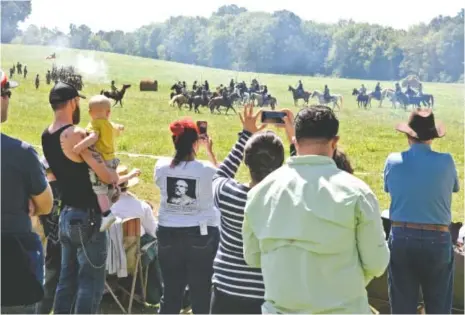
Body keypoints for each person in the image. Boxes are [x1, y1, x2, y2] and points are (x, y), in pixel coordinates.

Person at [243, 105, 389, 314]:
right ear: (334, 142)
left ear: (295, 140)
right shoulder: (358, 193)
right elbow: (377, 263)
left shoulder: (261, 191)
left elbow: (253, 257)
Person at [41, 81, 119, 314]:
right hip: (89, 215)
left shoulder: (47, 135)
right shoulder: (76, 134)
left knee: (67, 280)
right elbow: (104, 175)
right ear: (73, 103)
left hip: (67, 213)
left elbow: (53, 174)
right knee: (90, 282)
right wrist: (115, 174)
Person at [384, 108, 460, 314]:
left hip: (402, 235)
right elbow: (455, 187)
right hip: (438, 237)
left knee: (401, 306)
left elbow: (388, 188)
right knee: (439, 306)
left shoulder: (393, 160)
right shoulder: (446, 160)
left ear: (408, 135)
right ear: (433, 137)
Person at [211, 104, 285, 314]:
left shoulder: (227, 193)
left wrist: (245, 135)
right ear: (281, 164)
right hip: (267, 294)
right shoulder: (285, 201)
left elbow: (218, 175)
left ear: (246, 161)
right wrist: (295, 140)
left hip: (226, 291)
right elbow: (305, 182)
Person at [153, 117, 219, 314]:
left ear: (174, 141)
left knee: (171, 293)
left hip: (167, 233)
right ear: (195, 142)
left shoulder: (161, 166)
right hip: (200, 234)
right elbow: (222, 178)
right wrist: (209, 152)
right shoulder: (206, 169)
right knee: (201, 295)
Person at [1, 70, 53, 313]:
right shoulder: (20, 153)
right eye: (7, 93)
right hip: (12, 261)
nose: (8, 99)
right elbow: (46, 204)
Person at [72, 95, 136, 231]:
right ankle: (116, 190)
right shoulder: (108, 124)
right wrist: (120, 127)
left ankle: (106, 214)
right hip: (112, 159)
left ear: (89, 113)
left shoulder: (94, 124)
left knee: (99, 190)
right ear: (108, 113)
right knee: (110, 183)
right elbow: (116, 127)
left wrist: (79, 147)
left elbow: (93, 137)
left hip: (101, 161)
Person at [110, 165, 161, 306]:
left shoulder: (101, 206)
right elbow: (154, 232)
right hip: (131, 262)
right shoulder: (141, 206)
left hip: (106, 261)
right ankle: (154, 293)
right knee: (153, 244)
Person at [36, 157, 63, 314]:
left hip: (51, 240)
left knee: (50, 281)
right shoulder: (68, 188)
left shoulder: (42, 191)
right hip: (64, 241)